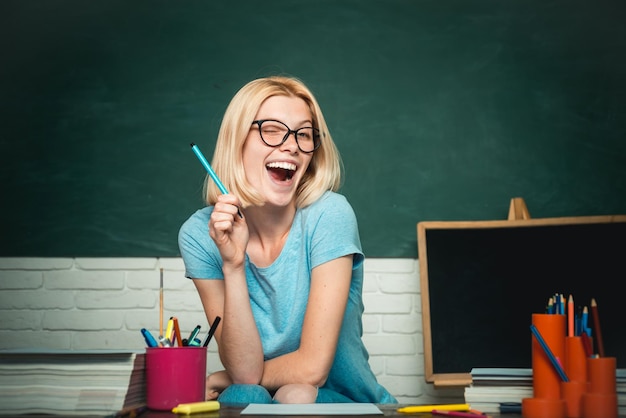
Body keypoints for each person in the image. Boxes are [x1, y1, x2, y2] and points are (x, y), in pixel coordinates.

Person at [178, 75, 397, 405]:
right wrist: (233, 264)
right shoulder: (199, 235)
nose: (292, 145)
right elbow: (246, 378)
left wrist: (227, 376)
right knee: (244, 393)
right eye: (272, 130)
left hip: (348, 403)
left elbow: (312, 368)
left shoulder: (329, 215)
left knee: (288, 392)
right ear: (237, 139)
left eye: (304, 134)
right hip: (263, 398)